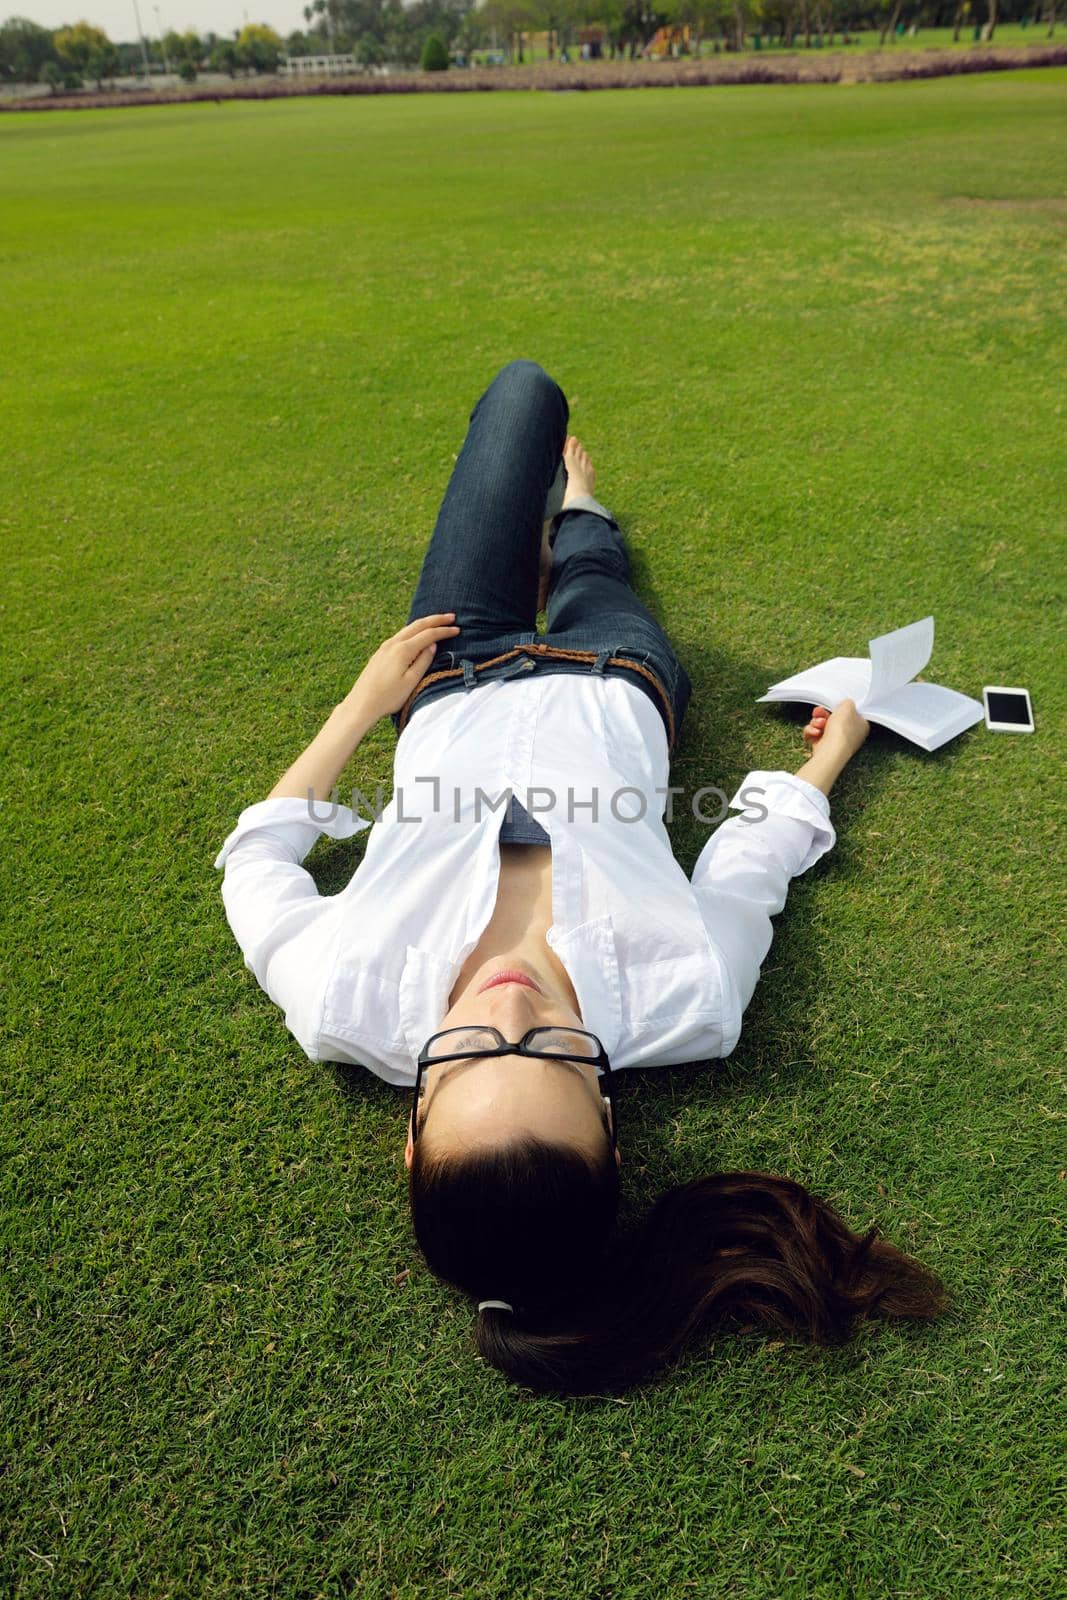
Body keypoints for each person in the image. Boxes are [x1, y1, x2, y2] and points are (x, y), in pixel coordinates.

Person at [214, 360, 945, 1396]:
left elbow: (256, 861)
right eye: (551, 1052)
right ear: (603, 1111)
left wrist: (361, 705)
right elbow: (746, 867)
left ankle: (561, 511)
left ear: (412, 1133)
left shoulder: (340, 999)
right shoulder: (687, 1000)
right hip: (617, 681)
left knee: (519, 394)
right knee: (595, 579)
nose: (508, 1007)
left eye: (465, 1054)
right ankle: (586, 509)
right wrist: (831, 756)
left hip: (447, 672)